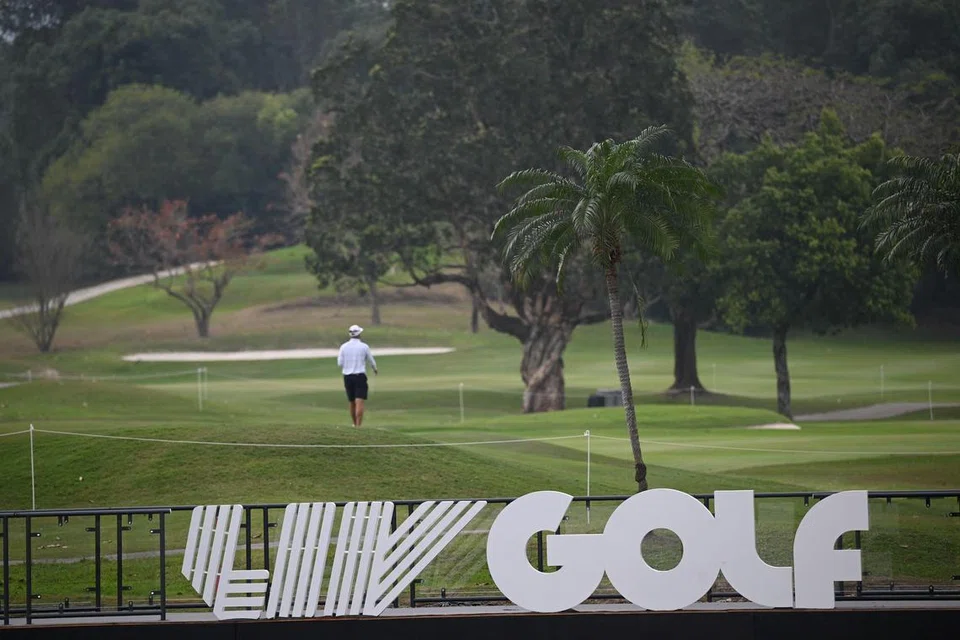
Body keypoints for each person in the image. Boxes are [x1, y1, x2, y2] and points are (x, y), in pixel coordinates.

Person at [337, 324, 378, 427]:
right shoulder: (364, 346)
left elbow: (340, 363)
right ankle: (358, 426)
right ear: (359, 334)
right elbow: (371, 360)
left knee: (352, 402)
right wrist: (375, 369)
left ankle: (354, 424)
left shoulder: (343, 347)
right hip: (359, 376)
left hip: (347, 376)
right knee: (359, 401)